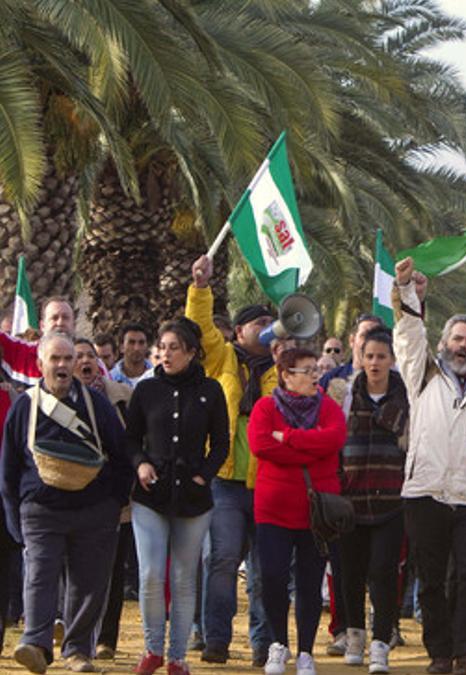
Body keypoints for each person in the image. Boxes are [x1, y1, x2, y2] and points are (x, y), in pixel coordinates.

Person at [391, 257, 466, 675]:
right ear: (443, 343)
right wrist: (407, 293)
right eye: (457, 339)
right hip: (426, 492)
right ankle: (440, 654)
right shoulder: (422, 374)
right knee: (433, 579)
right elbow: (407, 334)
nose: (463, 347)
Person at [1, 332, 135, 674]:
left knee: (88, 583)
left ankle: (77, 651)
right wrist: (15, 517)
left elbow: (122, 456)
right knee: (39, 575)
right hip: (40, 509)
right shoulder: (24, 406)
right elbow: (10, 467)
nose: (62, 365)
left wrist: (112, 506)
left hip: (93, 511)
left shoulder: (97, 405)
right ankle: (36, 643)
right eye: (55, 359)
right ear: (40, 364)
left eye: (68, 359)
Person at [125, 319, 230, 675]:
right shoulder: (146, 390)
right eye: (163, 346)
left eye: (174, 347)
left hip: (193, 499)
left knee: (185, 578)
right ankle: (153, 648)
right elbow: (129, 439)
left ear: (190, 352)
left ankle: (177, 656)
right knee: (151, 573)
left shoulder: (211, 390)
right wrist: (139, 464)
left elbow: (221, 444)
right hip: (150, 495)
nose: (166, 353)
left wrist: (204, 475)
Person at [186, 255, 275, 666]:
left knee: (264, 570)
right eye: (259, 322)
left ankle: (264, 644)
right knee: (220, 560)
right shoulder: (221, 357)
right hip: (224, 480)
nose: (267, 327)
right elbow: (199, 330)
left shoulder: (284, 367)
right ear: (239, 331)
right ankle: (217, 639)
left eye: (270, 323)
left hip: (267, 483)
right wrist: (200, 288)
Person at [248, 347, 347, 675]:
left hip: (315, 512)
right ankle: (279, 644)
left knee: (309, 581)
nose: (314, 376)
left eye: (315, 369)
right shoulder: (265, 407)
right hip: (273, 510)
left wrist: (288, 438)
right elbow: (261, 445)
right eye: (306, 370)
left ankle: (306, 650)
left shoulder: (329, 408)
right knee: (272, 578)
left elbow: (333, 440)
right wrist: (308, 446)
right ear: (286, 375)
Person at [335, 328, 409, 673]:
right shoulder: (344, 396)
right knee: (349, 574)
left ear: (392, 360)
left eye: (382, 356)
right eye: (370, 356)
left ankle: (381, 643)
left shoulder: (408, 399)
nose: (375, 362)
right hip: (349, 502)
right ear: (360, 359)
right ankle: (354, 635)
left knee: (382, 573)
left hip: (392, 502)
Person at [72, 338, 134, 661]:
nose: (85, 361)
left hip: (116, 500)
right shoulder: (60, 400)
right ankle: (77, 635)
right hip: (75, 500)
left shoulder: (122, 396)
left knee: (114, 569)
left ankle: (106, 638)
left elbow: (134, 442)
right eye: (78, 355)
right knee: (79, 571)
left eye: (90, 356)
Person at [110, 323, 155, 388]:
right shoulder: (111, 379)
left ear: (147, 347)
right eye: (131, 342)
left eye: (141, 342)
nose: (137, 348)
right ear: (121, 347)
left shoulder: (157, 376)